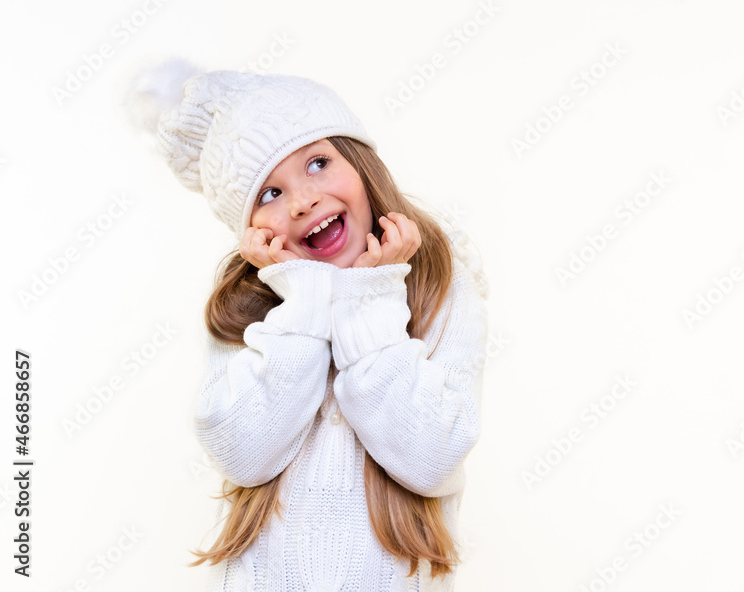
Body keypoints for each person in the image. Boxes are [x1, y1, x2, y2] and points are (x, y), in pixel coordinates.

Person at [126, 60, 489, 591]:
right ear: (252, 232)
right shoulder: (246, 307)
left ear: (363, 165)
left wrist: (372, 297)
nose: (302, 201)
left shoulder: (440, 286)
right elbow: (245, 454)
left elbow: (431, 457)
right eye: (269, 194)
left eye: (318, 162)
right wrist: (303, 297)